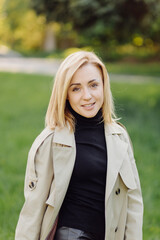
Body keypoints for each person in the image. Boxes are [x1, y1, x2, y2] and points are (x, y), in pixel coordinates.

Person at [15, 51, 143, 240]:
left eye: (93, 85)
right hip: (73, 234)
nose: (87, 96)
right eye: (76, 89)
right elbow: (33, 209)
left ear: (103, 86)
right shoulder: (50, 141)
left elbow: (133, 202)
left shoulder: (120, 137)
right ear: (65, 94)